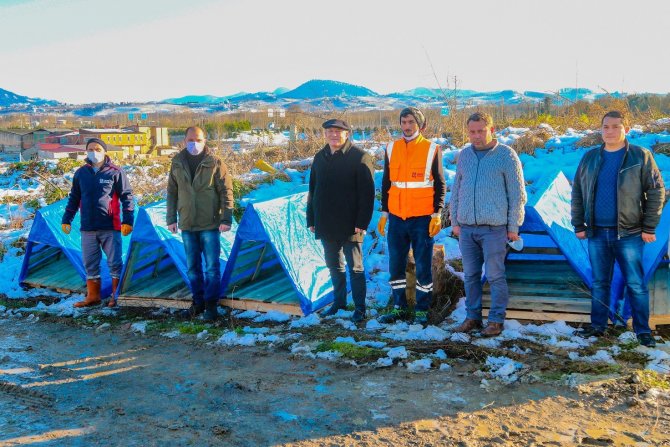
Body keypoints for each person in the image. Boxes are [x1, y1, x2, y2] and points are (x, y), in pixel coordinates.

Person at [571, 110, 665, 347]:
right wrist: (578, 223)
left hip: (630, 233)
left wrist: (649, 226)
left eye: (615, 126)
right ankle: (598, 326)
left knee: (635, 283)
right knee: (600, 282)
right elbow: (578, 193)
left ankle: (643, 331)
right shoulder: (590, 157)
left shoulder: (640, 156)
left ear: (626, 129)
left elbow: (656, 191)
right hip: (597, 233)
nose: (610, 131)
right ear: (600, 129)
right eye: (605, 127)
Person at [450, 112, 526, 337]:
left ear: (492, 130)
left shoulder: (506, 155)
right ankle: (472, 317)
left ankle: (495, 321)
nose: (476, 136)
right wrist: (455, 220)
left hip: (494, 229)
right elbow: (457, 190)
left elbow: (517, 194)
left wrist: (513, 226)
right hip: (467, 228)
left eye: (480, 131)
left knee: (494, 276)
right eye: (472, 131)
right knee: (471, 276)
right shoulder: (464, 155)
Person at [377, 107, 446, 326]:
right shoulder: (391, 148)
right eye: (403, 122)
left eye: (411, 122)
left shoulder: (431, 149)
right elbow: (387, 183)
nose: (407, 126)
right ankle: (399, 307)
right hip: (397, 217)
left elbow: (440, 184)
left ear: (420, 125)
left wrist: (437, 214)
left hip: (422, 217)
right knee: (396, 263)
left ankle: (421, 310)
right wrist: (384, 213)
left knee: (423, 265)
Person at [307, 119, 375, 323]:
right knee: (334, 266)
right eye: (330, 131)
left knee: (355, 267)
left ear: (347, 134)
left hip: (351, 223)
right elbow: (313, 190)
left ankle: (360, 308)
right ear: (325, 134)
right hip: (326, 222)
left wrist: (362, 222)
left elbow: (367, 194)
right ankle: (339, 303)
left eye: (338, 131)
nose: (334, 135)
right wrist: (311, 218)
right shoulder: (320, 157)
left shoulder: (360, 157)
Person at [166, 126, 234, 321]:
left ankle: (212, 305)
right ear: (184, 140)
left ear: (205, 140)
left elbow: (226, 191)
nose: (193, 143)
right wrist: (171, 218)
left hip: (210, 224)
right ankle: (198, 303)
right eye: (190, 139)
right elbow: (172, 192)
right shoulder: (178, 162)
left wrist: (226, 218)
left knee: (212, 267)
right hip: (187, 224)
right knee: (192, 268)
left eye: (198, 139)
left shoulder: (215, 162)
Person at [61, 138, 134, 308]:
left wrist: (128, 221)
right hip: (88, 226)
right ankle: (93, 296)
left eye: (98, 148)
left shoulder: (115, 172)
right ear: (86, 152)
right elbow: (74, 198)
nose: (94, 151)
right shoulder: (80, 173)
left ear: (104, 151)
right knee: (90, 262)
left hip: (110, 225)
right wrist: (67, 219)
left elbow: (127, 197)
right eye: (91, 149)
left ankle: (115, 296)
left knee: (114, 262)